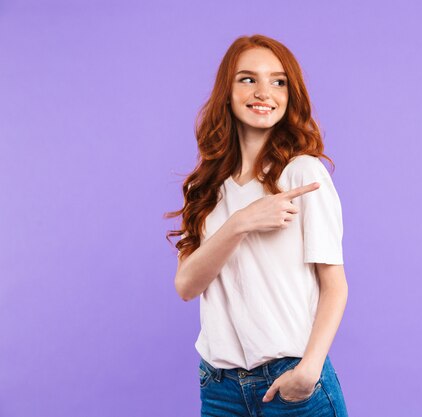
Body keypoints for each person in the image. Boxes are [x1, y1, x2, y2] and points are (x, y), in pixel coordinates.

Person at [165, 34, 350, 417]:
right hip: (219, 388)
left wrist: (308, 372)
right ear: (227, 92)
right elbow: (186, 286)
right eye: (248, 79)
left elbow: (335, 285)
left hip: (292, 382)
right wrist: (240, 223)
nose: (264, 92)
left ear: (290, 93)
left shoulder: (303, 174)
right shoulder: (206, 187)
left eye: (278, 81)